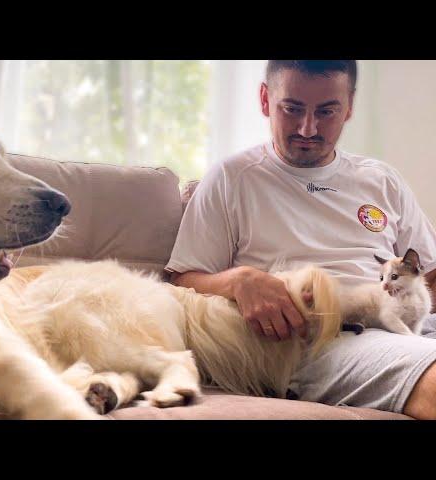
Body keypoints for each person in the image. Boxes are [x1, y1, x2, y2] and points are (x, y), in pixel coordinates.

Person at [165, 60, 436, 419]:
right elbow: (181, 280)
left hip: (407, 321)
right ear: (265, 99)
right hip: (326, 342)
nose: (308, 128)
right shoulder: (233, 178)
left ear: (349, 107)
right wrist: (239, 280)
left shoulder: (381, 179)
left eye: (326, 111)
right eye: (292, 109)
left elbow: (430, 274)